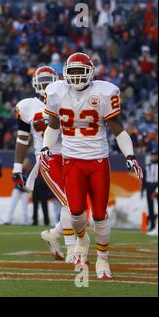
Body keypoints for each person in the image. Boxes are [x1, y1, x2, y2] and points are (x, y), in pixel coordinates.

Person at [41, 52, 143, 279]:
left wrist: (130, 155)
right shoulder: (57, 92)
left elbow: (118, 127)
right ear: (66, 73)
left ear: (90, 73)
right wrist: (46, 147)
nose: (77, 76)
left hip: (98, 160)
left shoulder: (104, 92)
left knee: (99, 215)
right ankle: (81, 239)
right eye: (73, 71)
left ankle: (103, 261)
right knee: (75, 212)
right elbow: (54, 125)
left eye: (81, 71)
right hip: (72, 160)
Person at [13, 66, 76, 262]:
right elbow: (22, 139)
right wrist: (17, 168)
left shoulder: (68, 98)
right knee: (70, 202)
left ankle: (53, 234)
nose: (46, 84)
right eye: (43, 80)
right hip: (49, 158)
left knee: (79, 205)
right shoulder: (26, 106)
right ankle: (73, 251)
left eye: (49, 80)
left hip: (73, 155)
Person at [142, 144, 158, 233]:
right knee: (150, 208)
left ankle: (156, 226)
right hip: (149, 188)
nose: (154, 157)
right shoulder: (147, 166)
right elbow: (144, 179)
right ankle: (152, 225)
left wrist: (156, 190)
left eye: (155, 155)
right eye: (153, 155)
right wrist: (143, 190)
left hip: (156, 187)